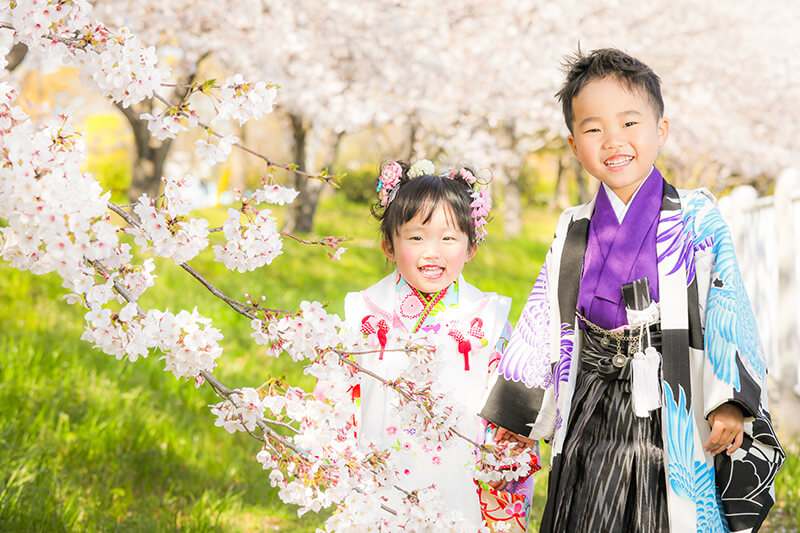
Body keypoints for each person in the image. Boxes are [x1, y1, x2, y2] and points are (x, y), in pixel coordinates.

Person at [480, 48, 784, 532]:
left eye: (629, 124)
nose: (613, 141)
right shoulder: (573, 227)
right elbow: (545, 316)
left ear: (660, 131)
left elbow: (727, 306)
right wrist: (519, 410)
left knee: (667, 513)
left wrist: (729, 399)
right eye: (593, 128)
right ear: (574, 144)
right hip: (591, 402)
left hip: (674, 401)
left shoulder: (696, 218)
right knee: (586, 512)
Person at [343, 159, 537, 530]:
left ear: (471, 247)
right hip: (382, 460)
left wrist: (506, 459)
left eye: (448, 238)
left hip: (463, 467)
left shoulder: (489, 317)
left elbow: (512, 398)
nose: (432, 251)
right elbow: (339, 395)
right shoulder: (364, 312)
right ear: (389, 245)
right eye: (416, 237)